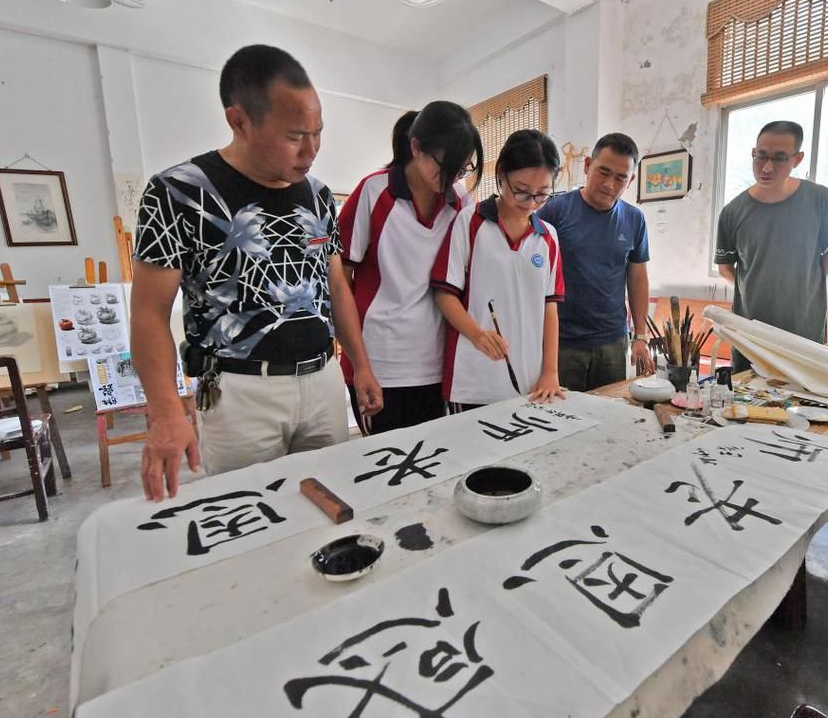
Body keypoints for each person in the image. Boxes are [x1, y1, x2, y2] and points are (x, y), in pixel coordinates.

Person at [131, 44, 383, 502]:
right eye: (293, 136)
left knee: (336, 502)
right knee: (250, 513)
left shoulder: (320, 196)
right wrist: (166, 409)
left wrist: (359, 364)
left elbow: (335, 286)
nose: (310, 151)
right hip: (239, 392)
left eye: (318, 133)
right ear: (239, 121)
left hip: (323, 379)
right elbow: (149, 313)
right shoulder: (177, 192)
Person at [339, 102, 481, 434]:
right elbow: (339, 281)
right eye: (446, 168)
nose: (452, 180)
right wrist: (358, 363)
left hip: (435, 363)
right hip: (380, 362)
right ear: (416, 148)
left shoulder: (460, 202)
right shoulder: (374, 192)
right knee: (384, 465)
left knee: (430, 458)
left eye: (462, 171)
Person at [431, 129, 565, 410]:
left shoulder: (548, 237)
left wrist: (550, 372)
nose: (530, 203)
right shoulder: (470, 222)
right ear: (501, 173)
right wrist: (477, 334)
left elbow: (549, 307)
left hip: (532, 384)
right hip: (474, 381)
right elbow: (444, 295)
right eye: (520, 190)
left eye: (542, 194)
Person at [713, 120, 828, 366]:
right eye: (760, 157)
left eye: (779, 158)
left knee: (802, 403)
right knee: (744, 403)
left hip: (803, 334)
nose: (767, 167)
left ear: (797, 159)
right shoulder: (732, 212)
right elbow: (725, 267)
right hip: (749, 336)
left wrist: (798, 284)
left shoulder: (820, 200)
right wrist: (754, 288)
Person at [537, 133, 652, 390]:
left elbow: (638, 277)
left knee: (608, 418)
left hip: (611, 340)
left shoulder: (635, 220)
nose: (610, 184)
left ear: (631, 180)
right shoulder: (555, 211)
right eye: (603, 172)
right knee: (561, 419)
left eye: (621, 178)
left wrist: (640, 336)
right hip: (562, 341)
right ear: (588, 165)